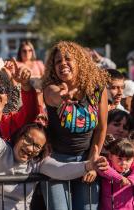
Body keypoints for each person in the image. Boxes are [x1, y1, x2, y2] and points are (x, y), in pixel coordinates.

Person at [42, 41, 109, 210]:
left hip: (86, 160)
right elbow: (53, 96)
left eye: (67, 59)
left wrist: (93, 162)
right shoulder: (52, 88)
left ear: (79, 61)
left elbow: (101, 128)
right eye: (58, 61)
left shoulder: (97, 89)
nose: (62, 63)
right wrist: (63, 97)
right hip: (57, 163)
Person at [0, 123, 108, 209]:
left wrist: (88, 165)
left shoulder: (37, 162)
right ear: (19, 135)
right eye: (27, 140)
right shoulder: (1, 148)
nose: (30, 148)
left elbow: (61, 169)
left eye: (37, 146)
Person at [98, 138, 134, 210]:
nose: (123, 163)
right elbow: (103, 168)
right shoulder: (107, 165)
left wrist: (129, 180)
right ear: (110, 156)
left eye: (128, 160)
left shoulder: (131, 172)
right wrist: (120, 178)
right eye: (119, 158)